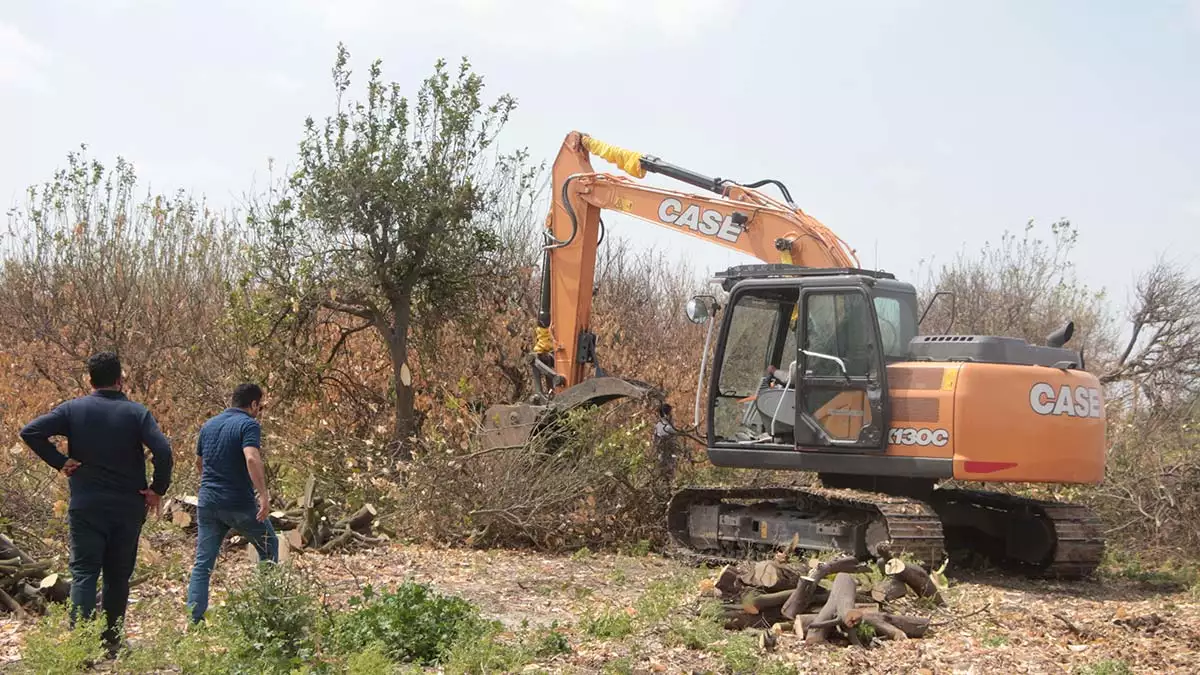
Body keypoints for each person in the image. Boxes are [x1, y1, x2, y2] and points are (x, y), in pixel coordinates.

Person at [19, 351, 174, 656]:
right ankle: (112, 642)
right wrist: (157, 489)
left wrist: (60, 462)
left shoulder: (73, 410)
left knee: (85, 574)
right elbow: (164, 451)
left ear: (90, 380)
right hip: (127, 507)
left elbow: (30, 431)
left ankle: (80, 645)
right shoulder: (136, 413)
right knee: (117, 576)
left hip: (86, 505)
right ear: (120, 379)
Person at [186, 383, 278, 624]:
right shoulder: (248, 424)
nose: (261, 411)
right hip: (238, 502)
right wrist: (264, 495)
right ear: (254, 404)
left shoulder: (209, 425)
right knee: (269, 546)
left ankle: (194, 621)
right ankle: (267, 612)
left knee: (203, 562)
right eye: (261, 405)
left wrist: (212, 483)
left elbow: (199, 463)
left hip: (207, 503)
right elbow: (251, 457)